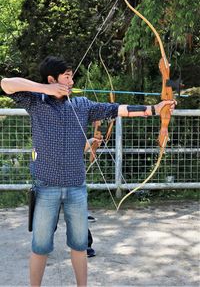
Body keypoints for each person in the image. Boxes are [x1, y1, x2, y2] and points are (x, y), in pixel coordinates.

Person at [0, 56, 176, 287]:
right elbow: (6, 84)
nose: (71, 81)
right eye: (66, 76)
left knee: (80, 246)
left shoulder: (82, 105)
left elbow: (116, 109)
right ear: (52, 79)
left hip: (76, 188)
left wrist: (154, 109)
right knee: (40, 247)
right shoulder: (36, 102)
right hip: (46, 188)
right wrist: (47, 89)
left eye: (72, 76)